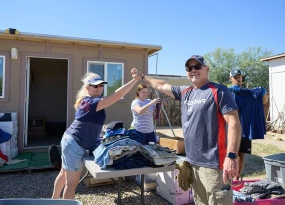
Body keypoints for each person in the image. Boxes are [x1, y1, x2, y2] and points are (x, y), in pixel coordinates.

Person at [132, 55, 242, 205]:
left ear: (206, 69)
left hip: (214, 166)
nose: (193, 70)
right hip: (193, 164)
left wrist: (231, 156)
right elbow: (161, 85)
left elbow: (234, 123)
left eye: (197, 67)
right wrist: (142, 77)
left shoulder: (218, 90)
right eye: (189, 68)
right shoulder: (185, 92)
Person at [52, 70, 141, 199]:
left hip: (70, 140)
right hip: (75, 143)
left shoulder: (88, 100)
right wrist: (135, 80)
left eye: (101, 85)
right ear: (88, 87)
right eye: (95, 86)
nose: (99, 88)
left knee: (64, 173)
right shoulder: (92, 102)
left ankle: (53, 200)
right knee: (71, 184)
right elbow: (116, 95)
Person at [228, 68, 268, 180]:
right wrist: (229, 91)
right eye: (235, 77)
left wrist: (263, 93)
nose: (238, 79)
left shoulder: (249, 93)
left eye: (239, 77)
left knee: (241, 154)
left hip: (244, 128)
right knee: (230, 153)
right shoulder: (227, 92)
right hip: (231, 128)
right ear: (231, 79)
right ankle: (227, 177)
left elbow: (264, 101)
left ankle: (236, 177)